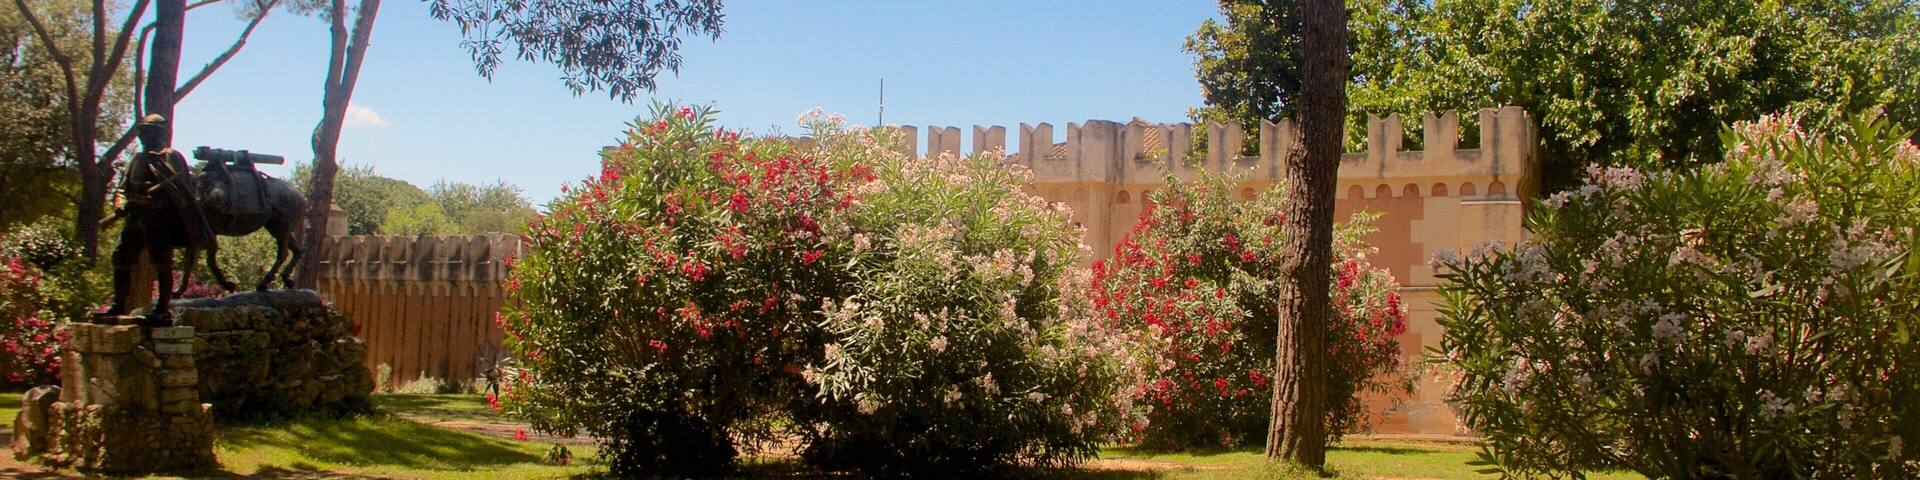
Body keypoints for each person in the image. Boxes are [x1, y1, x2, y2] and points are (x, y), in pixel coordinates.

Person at [104, 114, 215, 326]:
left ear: (157, 133)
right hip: (135, 218)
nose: (142, 136)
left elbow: (182, 190)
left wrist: (155, 198)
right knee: (120, 258)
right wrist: (120, 204)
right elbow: (122, 187)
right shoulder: (138, 159)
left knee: (161, 262)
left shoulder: (170, 156)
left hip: (158, 220)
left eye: (147, 132)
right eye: (142, 132)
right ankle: (119, 305)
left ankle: (162, 309)